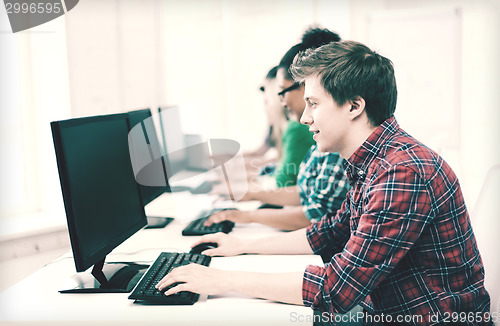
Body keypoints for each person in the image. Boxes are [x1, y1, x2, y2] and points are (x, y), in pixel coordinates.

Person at [157, 41, 492, 325]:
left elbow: (337, 291)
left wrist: (218, 279)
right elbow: (329, 231)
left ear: (355, 106)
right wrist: (241, 246)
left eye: (313, 104)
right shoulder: (375, 161)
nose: (304, 117)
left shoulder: (400, 172)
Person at [206, 27, 348, 231]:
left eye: (281, 92)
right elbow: (308, 195)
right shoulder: (319, 136)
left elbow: (315, 216)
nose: (279, 102)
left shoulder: (324, 137)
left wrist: (248, 213)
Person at [272, 26, 341, 188]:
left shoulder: (333, 139)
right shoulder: (321, 137)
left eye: (283, 92)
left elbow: (288, 185)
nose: (304, 119)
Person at [243, 65, 288, 179]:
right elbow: (260, 153)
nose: (265, 108)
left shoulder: (294, 128)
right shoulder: (275, 127)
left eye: (267, 101)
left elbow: (282, 169)